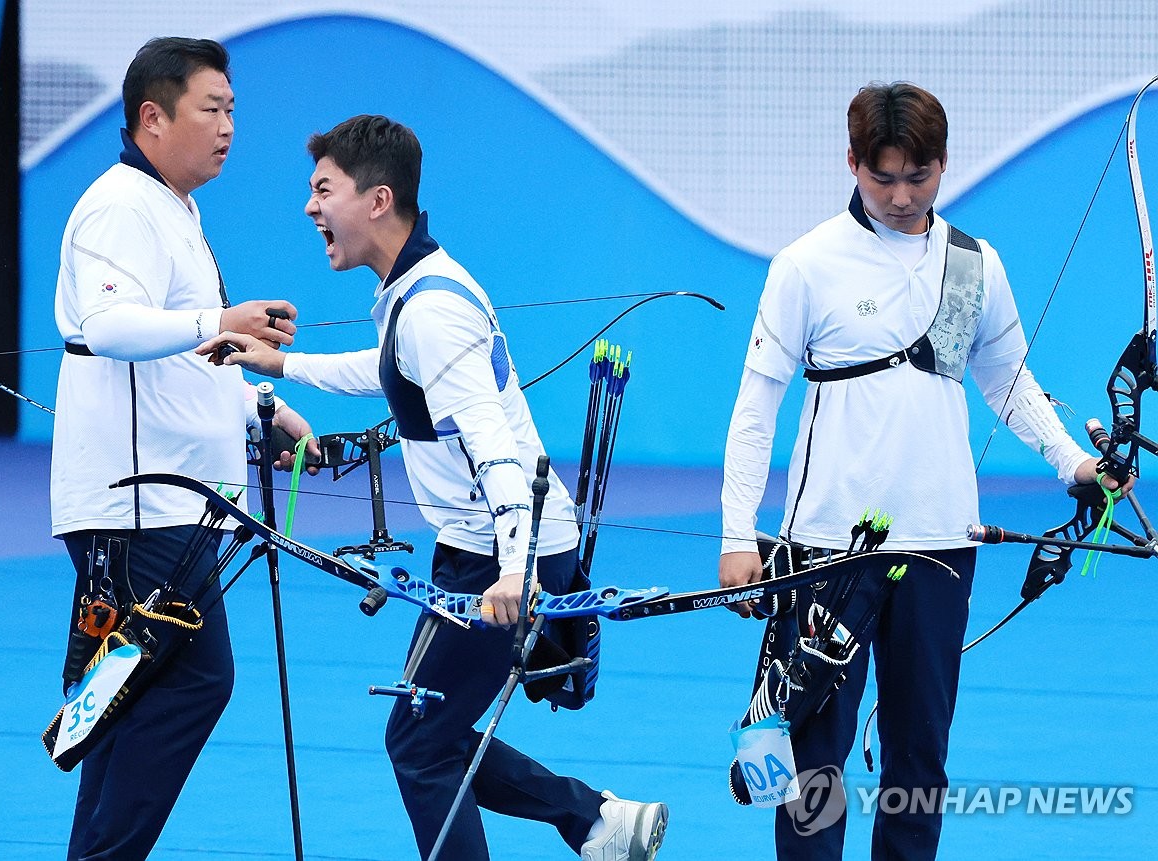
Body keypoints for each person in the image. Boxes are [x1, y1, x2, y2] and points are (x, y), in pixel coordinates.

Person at [196, 114, 668, 861]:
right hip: (487, 550)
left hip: (499, 557)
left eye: (324, 189)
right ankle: (596, 819)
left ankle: (593, 817)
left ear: (378, 199)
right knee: (427, 736)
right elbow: (388, 368)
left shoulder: (434, 309)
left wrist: (515, 570)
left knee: (420, 742)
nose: (310, 207)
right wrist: (278, 364)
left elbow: (496, 454)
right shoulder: (417, 289)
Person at [717, 81, 1131, 861]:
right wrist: (739, 534)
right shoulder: (806, 264)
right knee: (813, 758)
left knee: (920, 757)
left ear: (944, 164)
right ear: (852, 163)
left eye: (921, 176)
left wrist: (1075, 461)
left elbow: (1009, 380)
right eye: (885, 178)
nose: (904, 195)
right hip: (826, 548)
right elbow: (755, 405)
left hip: (941, 541)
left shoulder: (974, 265)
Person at [52, 37, 317, 860]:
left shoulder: (173, 207)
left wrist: (255, 411)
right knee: (192, 681)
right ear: (152, 117)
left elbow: (175, 359)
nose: (228, 125)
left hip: (173, 503)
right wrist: (219, 323)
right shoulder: (121, 205)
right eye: (212, 108)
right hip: (139, 504)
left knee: (124, 696)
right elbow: (110, 326)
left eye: (232, 109)